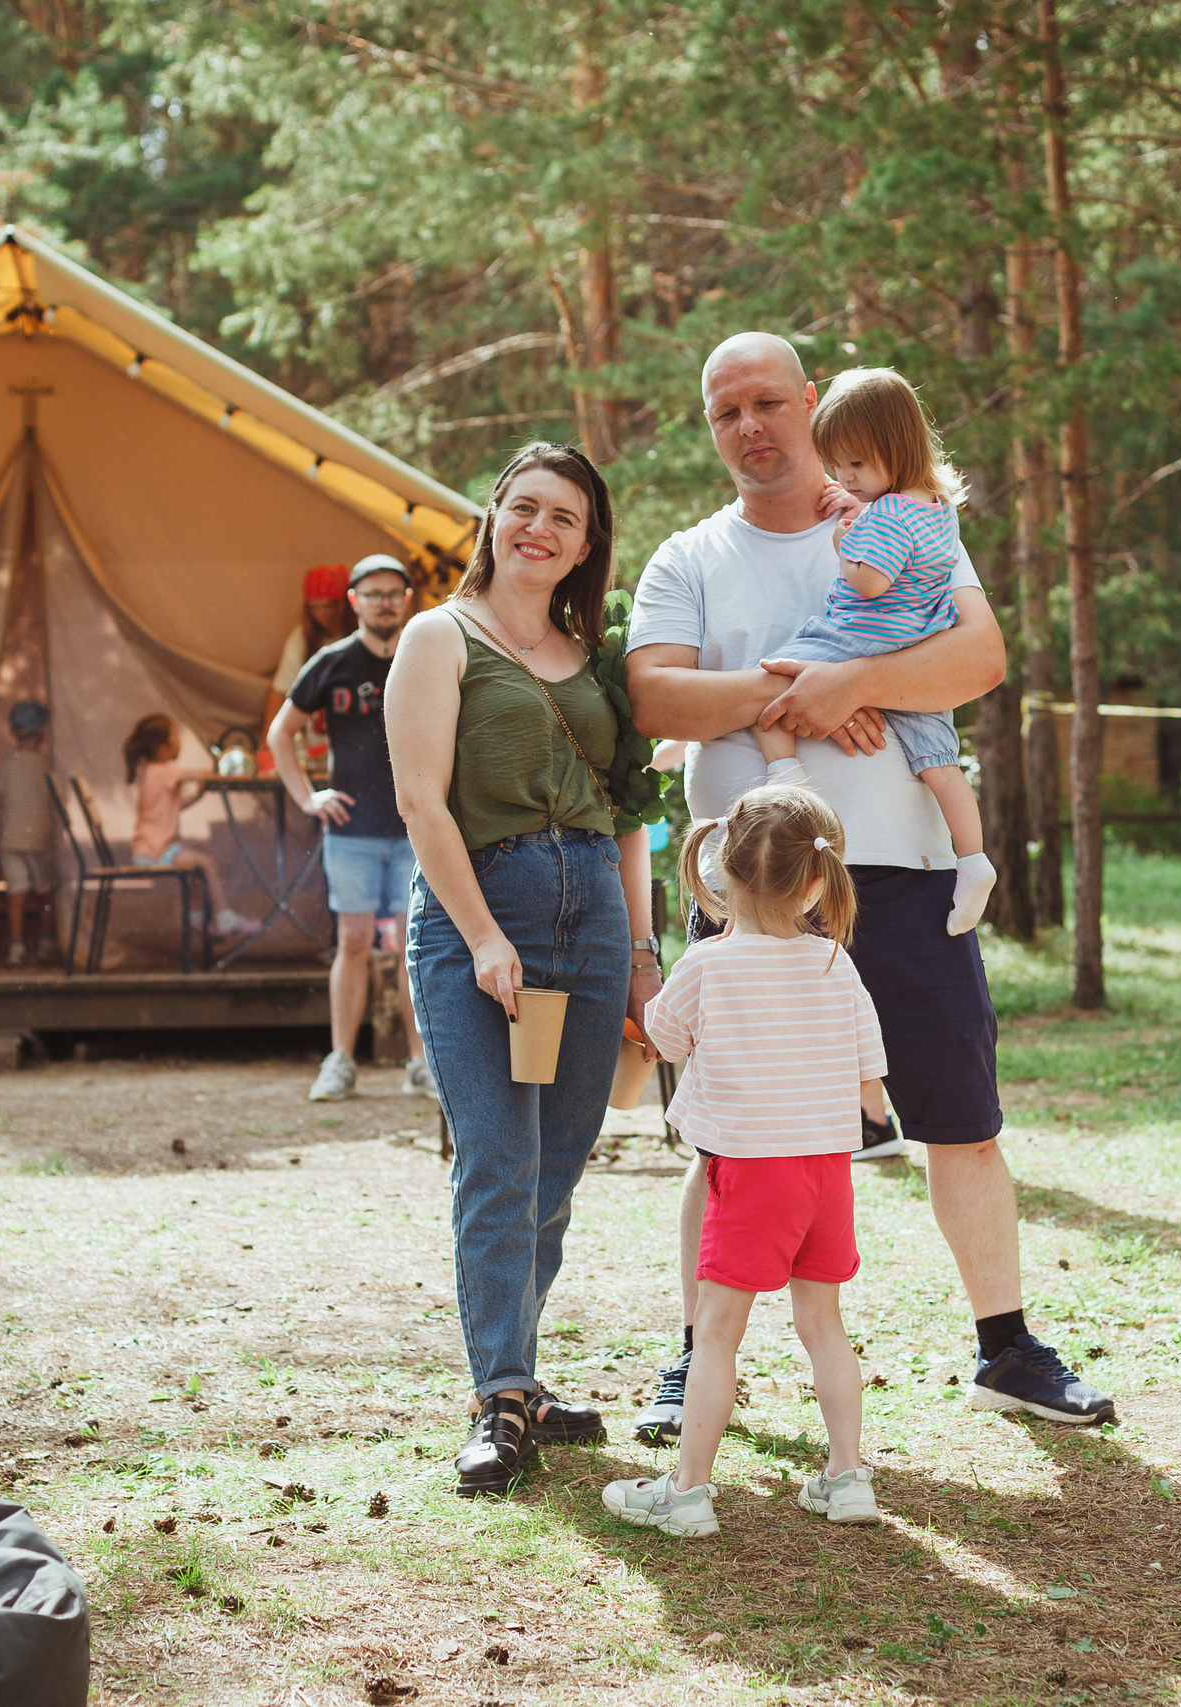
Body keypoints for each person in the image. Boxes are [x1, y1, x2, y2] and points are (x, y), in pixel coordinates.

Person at [624, 331, 1114, 1445]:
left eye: (766, 402)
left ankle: (1008, 1350)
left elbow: (977, 659)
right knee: (729, 1141)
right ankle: (700, 1356)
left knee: (960, 1118)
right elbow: (655, 698)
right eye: (724, 412)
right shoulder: (690, 557)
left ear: (810, 404)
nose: (748, 427)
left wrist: (859, 679)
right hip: (751, 891)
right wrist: (787, 696)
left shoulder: (908, 517)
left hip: (902, 871)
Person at [384, 441, 659, 1498]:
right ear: (493, 517)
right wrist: (485, 935)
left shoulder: (596, 656)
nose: (540, 528)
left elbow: (632, 810)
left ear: (587, 545)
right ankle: (497, 1395)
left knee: (555, 1162)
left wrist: (641, 952)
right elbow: (420, 801)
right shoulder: (435, 638)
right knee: (496, 1159)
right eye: (525, 507)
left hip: (590, 915)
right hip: (478, 920)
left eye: (566, 519)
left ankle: (524, 1380)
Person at [603, 784, 887, 1539]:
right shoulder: (836, 963)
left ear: (722, 874)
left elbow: (661, 1038)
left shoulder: (708, 963)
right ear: (819, 881)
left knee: (717, 1333)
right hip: (825, 1170)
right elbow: (871, 1077)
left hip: (750, 1171)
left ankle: (688, 1490)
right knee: (824, 1324)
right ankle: (848, 1474)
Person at [748, 367, 995, 935]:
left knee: (773, 683)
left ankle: (787, 783)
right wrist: (855, 499)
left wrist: (842, 541)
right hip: (920, 650)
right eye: (837, 467)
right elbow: (904, 544)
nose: (845, 478)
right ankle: (976, 861)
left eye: (855, 465)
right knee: (940, 764)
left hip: (862, 635)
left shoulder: (882, 514)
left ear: (894, 449)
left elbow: (870, 581)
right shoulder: (936, 505)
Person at [269, 552, 433, 1101]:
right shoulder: (331, 661)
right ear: (353, 602)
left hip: (419, 829)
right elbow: (279, 734)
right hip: (352, 830)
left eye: (394, 593)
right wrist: (308, 797)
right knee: (356, 940)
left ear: (408, 599)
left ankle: (423, 1063)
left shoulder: (426, 654)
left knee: (418, 943)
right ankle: (339, 1061)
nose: (384, 603)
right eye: (373, 594)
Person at [123, 713, 263, 948]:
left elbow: (174, 807)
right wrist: (220, 769)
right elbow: (200, 774)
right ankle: (224, 917)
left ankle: (196, 920)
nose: (179, 743)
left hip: (149, 848)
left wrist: (199, 793)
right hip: (156, 851)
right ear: (161, 747)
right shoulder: (163, 771)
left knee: (198, 872)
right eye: (175, 737)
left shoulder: (150, 772)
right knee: (207, 863)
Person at [0, 700, 58, 967]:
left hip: (11, 839)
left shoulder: (5, 765)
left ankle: (16, 946)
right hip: (41, 840)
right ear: (41, 732)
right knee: (46, 892)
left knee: (15, 893)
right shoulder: (49, 765)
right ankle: (46, 941)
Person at [263, 565, 356, 737]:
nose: (320, 614)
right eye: (314, 607)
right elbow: (279, 691)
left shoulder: (361, 637)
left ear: (343, 605)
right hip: (316, 740)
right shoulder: (302, 639)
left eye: (326, 606)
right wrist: (267, 746)